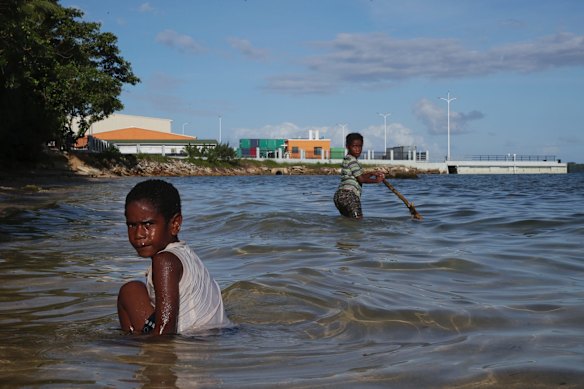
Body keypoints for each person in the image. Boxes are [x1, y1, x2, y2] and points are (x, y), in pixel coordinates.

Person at [117, 179, 231, 335]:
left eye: (148, 224)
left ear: (175, 224)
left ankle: (132, 347)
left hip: (191, 347)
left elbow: (165, 330)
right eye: (131, 225)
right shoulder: (186, 254)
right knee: (133, 290)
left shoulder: (164, 261)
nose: (139, 234)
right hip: (217, 340)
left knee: (130, 292)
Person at [334, 132, 385, 219]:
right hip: (349, 196)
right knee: (358, 220)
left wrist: (372, 173)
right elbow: (361, 179)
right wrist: (377, 181)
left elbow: (357, 177)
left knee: (347, 221)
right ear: (347, 147)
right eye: (354, 146)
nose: (357, 149)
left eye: (359, 146)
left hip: (339, 196)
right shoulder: (353, 161)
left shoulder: (347, 159)